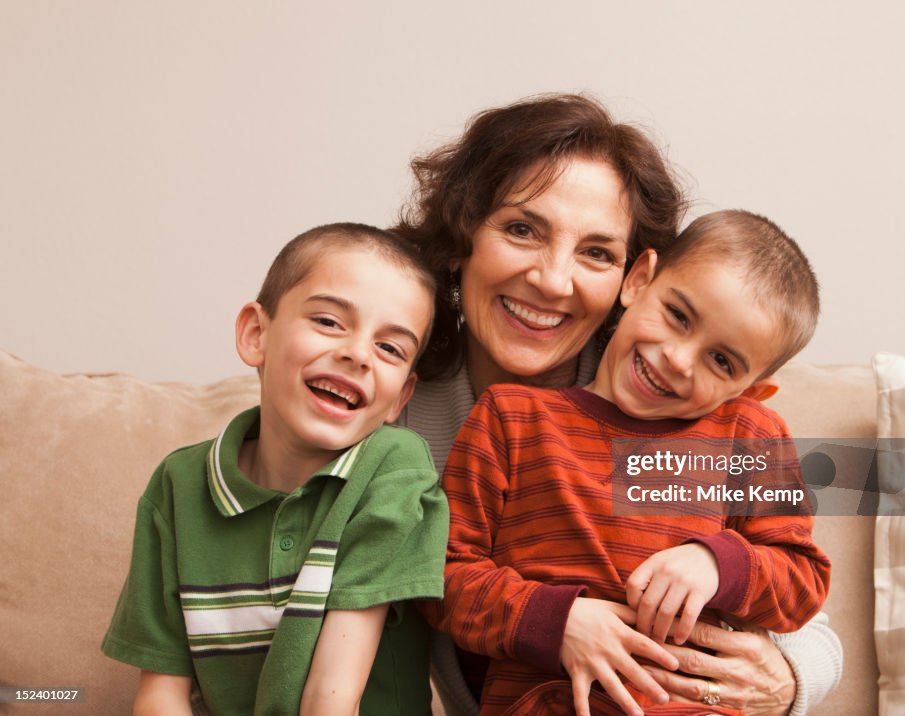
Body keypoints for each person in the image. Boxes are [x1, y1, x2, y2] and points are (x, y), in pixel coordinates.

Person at [395, 94, 842, 715]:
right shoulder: (415, 405)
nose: (554, 281)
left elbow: (802, 590)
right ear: (463, 234)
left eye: (596, 251)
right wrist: (559, 622)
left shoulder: (741, 434)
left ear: (630, 273)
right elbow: (439, 580)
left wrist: (772, 655)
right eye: (522, 229)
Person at [101, 223, 449, 715]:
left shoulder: (393, 466)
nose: (357, 354)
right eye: (329, 321)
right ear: (255, 334)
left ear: (401, 397)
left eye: (390, 348)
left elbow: (331, 699)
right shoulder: (178, 485)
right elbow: (162, 693)